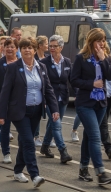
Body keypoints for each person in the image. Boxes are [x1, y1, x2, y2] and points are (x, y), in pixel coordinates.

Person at [0, 37, 59, 187]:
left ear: (34, 49)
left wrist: (54, 109)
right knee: (29, 142)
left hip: (36, 110)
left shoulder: (41, 67)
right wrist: (1, 114)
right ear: (20, 50)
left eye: (29, 47)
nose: (27, 50)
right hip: (19, 111)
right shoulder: (13, 68)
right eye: (23, 47)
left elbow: (48, 90)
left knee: (25, 142)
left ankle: (18, 170)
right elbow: (5, 92)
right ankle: (35, 175)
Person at [71, 28, 111, 185]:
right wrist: (91, 84)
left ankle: (83, 168)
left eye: (103, 40)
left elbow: (110, 76)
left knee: (89, 136)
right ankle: (101, 173)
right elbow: (74, 80)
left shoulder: (106, 57)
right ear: (91, 42)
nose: (101, 43)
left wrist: (103, 60)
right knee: (96, 137)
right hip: (85, 103)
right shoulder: (81, 58)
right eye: (98, 40)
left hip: (101, 103)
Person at [39, 35, 73, 163]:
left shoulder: (67, 62)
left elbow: (72, 80)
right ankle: (63, 151)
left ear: (61, 47)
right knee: (56, 124)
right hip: (49, 99)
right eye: (50, 46)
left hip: (63, 98)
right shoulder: (44, 63)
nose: (52, 48)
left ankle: (45, 146)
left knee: (53, 124)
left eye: (55, 46)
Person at [0, 38, 19, 163]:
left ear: (16, 49)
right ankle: (6, 153)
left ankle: (22, 153)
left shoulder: (21, 63)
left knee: (22, 130)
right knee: (5, 128)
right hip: (3, 102)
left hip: (17, 102)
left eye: (12, 46)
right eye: (7, 46)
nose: (9, 49)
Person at [33, 35, 51, 147]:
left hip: (47, 90)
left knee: (51, 115)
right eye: (46, 43)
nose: (48, 46)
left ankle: (49, 137)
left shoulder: (47, 57)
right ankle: (36, 136)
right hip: (37, 91)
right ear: (40, 45)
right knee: (37, 115)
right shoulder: (34, 58)